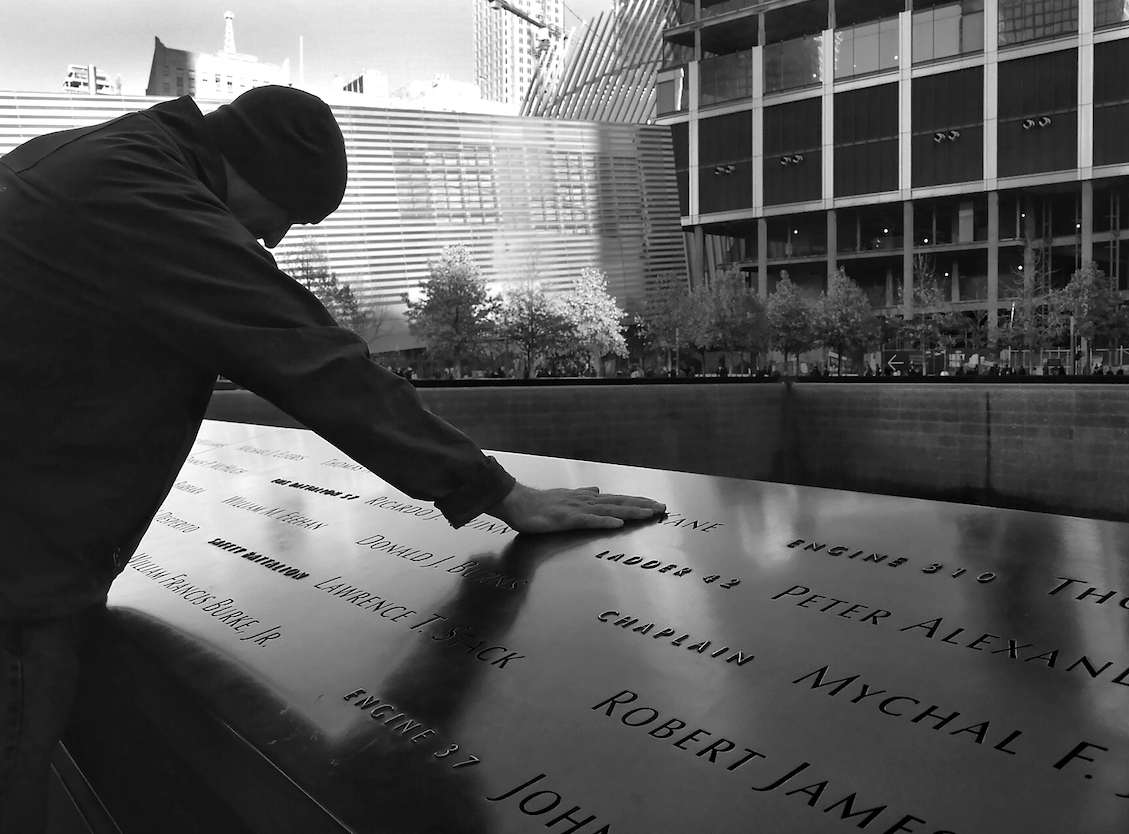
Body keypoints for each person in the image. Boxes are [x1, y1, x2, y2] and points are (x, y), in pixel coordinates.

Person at [0, 86, 665, 833]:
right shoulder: (146, 196)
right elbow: (308, 356)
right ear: (255, 169)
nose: (274, 240)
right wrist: (497, 490)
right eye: (288, 215)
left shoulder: (95, 160)